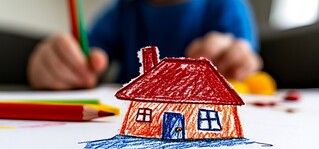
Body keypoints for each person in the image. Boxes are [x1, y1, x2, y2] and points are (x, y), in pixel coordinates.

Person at [27, 0, 262, 90]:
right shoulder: (124, 10)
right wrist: (58, 64)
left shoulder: (227, 6)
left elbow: (245, 59)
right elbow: (86, 60)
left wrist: (237, 60)